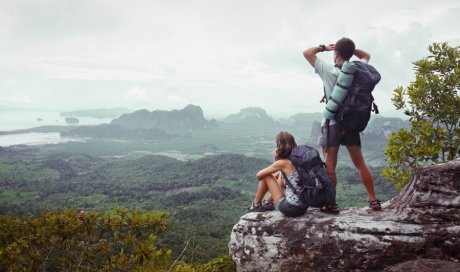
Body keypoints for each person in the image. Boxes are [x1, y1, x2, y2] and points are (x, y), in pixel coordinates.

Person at [303, 37, 381, 212]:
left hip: (333, 123)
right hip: (352, 122)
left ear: (336, 53)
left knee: (330, 165)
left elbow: (307, 53)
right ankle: (373, 200)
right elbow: (367, 54)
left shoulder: (329, 70)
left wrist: (324, 48)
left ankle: (331, 202)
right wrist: (349, 50)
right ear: (349, 53)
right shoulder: (359, 69)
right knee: (360, 162)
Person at [247, 131, 307, 217]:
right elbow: (286, 176)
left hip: (290, 208)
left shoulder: (283, 163)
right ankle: (268, 202)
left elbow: (259, 175)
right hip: (303, 208)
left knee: (266, 175)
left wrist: (277, 162)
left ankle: (256, 204)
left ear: (279, 146)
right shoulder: (299, 160)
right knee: (280, 174)